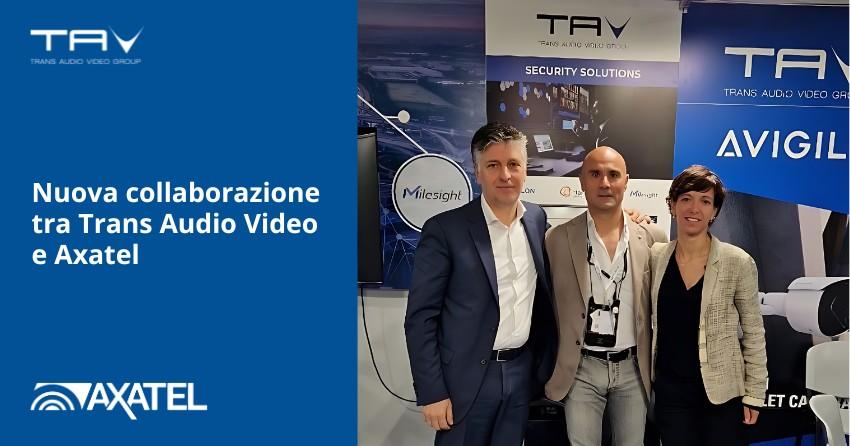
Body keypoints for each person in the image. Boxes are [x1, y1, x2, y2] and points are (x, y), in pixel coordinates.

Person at [404, 123, 557, 446]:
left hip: (520, 375)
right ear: (477, 172)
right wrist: (432, 392)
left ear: (525, 169)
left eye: (513, 164)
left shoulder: (537, 220)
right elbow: (421, 318)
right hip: (464, 380)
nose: (505, 175)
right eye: (493, 165)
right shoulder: (445, 229)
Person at [545, 146, 667, 446]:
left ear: (626, 181)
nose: (605, 183)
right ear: (581, 181)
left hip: (633, 369)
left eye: (613, 175)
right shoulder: (556, 238)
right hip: (581, 369)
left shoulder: (654, 238)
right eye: (595, 174)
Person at [649, 165, 767, 446]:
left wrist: (754, 394)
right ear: (672, 205)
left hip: (722, 394)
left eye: (705, 201)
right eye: (686, 198)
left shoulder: (737, 261)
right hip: (671, 394)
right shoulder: (655, 257)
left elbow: (754, 333)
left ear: (714, 211)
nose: (694, 208)